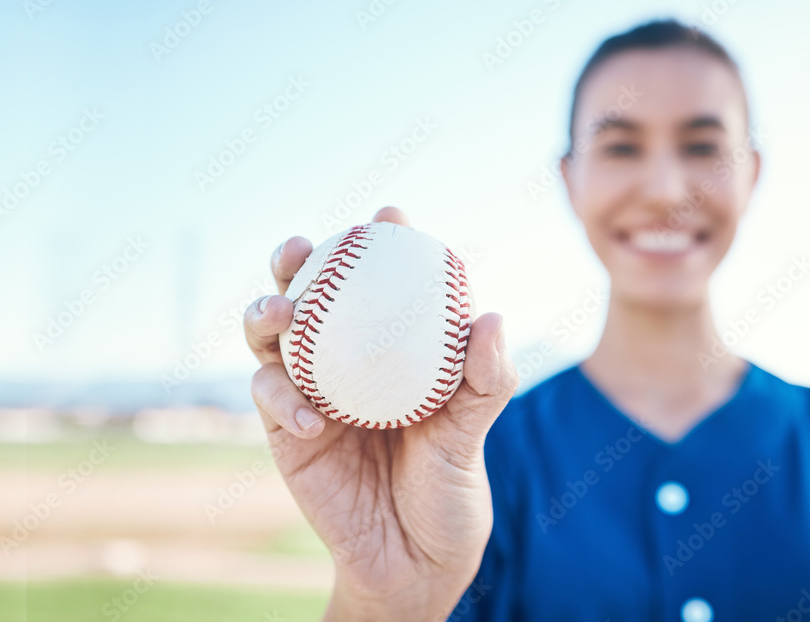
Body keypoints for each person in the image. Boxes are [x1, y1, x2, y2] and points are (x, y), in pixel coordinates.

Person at [243, 19, 810, 621]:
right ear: (569, 178)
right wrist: (386, 596)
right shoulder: (466, 461)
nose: (666, 189)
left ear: (751, 171)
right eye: (620, 146)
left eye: (701, 147)